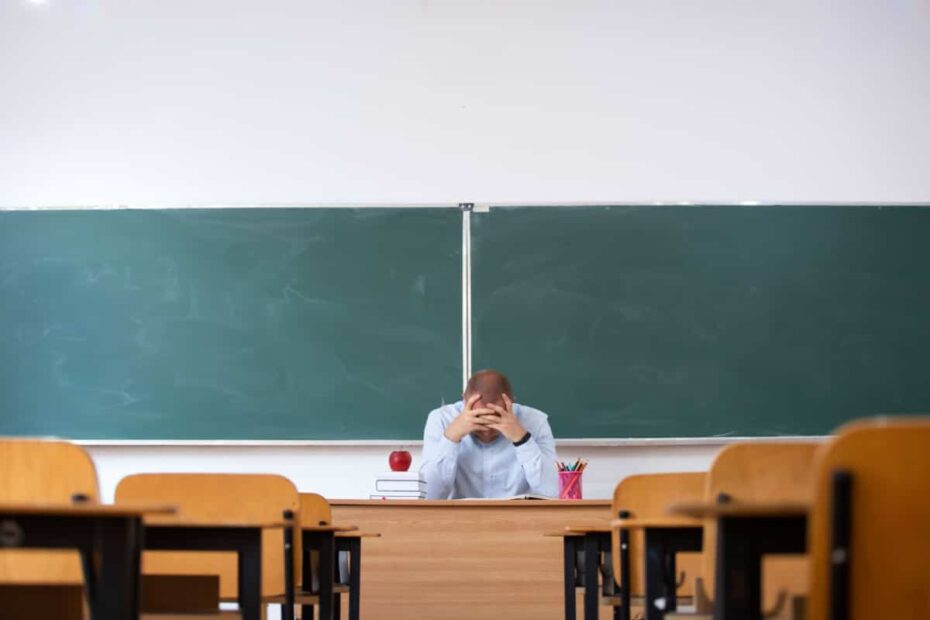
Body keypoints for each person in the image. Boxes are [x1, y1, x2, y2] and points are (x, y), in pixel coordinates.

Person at [420, 369, 558, 499]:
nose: (487, 429)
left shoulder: (535, 421)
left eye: (496, 417)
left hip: (518, 520)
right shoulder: (441, 420)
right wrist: (451, 437)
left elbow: (553, 492)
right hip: (459, 520)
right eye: (478, 417)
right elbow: (430, 495)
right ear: (464, 401)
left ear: (511, 403)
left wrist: (522, 439)